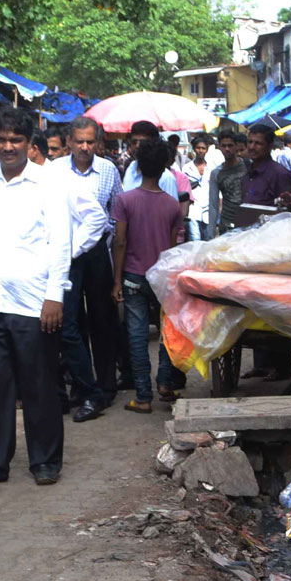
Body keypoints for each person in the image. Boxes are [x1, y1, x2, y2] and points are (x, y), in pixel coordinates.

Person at [0, 107, 91, 490]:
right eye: (1, 140)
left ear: (29, 144)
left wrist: (55, 296)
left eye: (16, 140)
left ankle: (45, 460)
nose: (8, 146)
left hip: (33, 303)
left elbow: (60, 243)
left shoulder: (49, 184)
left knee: (40, 385)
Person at [56, 116, 123, 419]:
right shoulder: (55, 171)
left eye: (89, 141)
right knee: (71, 322)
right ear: (69, 141)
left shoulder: (108, 170)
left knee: (102, 318)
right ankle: (82, 386)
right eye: (79, 141)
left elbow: (117, 211)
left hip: (97, 251)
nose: (84, 147)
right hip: (66, 253)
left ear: (97, 143)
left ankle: (106, 386)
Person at [111, 138, 185, 414]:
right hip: (161, 277)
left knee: (137, 336)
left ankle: (143, 396)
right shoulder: (172, 205)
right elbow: (171, 247)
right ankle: (165, 382)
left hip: (132, 276)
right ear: (165, 166)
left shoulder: (125, 200)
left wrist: (116, 281)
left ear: (138, 165)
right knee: (167, 332)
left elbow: (120, 242)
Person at [243, 123, 291, 381]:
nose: (252, 147)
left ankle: (283, 365)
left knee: (276, 305)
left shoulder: (279, 174)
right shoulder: (248, 174)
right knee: (254, 304)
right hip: (250, 246)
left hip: (275, 249)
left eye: (258, 143)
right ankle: (261, 363)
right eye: (250, 142)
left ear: (269, 147)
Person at [122, 121, 178, 197]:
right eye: (134, 142)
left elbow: (171, 207)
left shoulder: (166, 178)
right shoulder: (131, 169)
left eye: (142, 142)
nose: (137, 146)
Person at [208, 129, 247, 236]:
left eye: (230, 145)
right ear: (219, 147)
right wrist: (210, 234)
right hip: (227, 226)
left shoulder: (248, 166)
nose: (227, 149)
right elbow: (213, 205)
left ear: (236, 146)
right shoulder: (216, 173)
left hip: (247, 224)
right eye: (223, 146)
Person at [183, 134, 220, 241]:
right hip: (193, 208)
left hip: (209, 208)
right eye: (198, 148)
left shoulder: (212, 168)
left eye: (203, 148)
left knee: (208, 239)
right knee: (195, 238)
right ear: (194, 149)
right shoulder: (187, 168)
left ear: (207, 150)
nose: (200, 151)